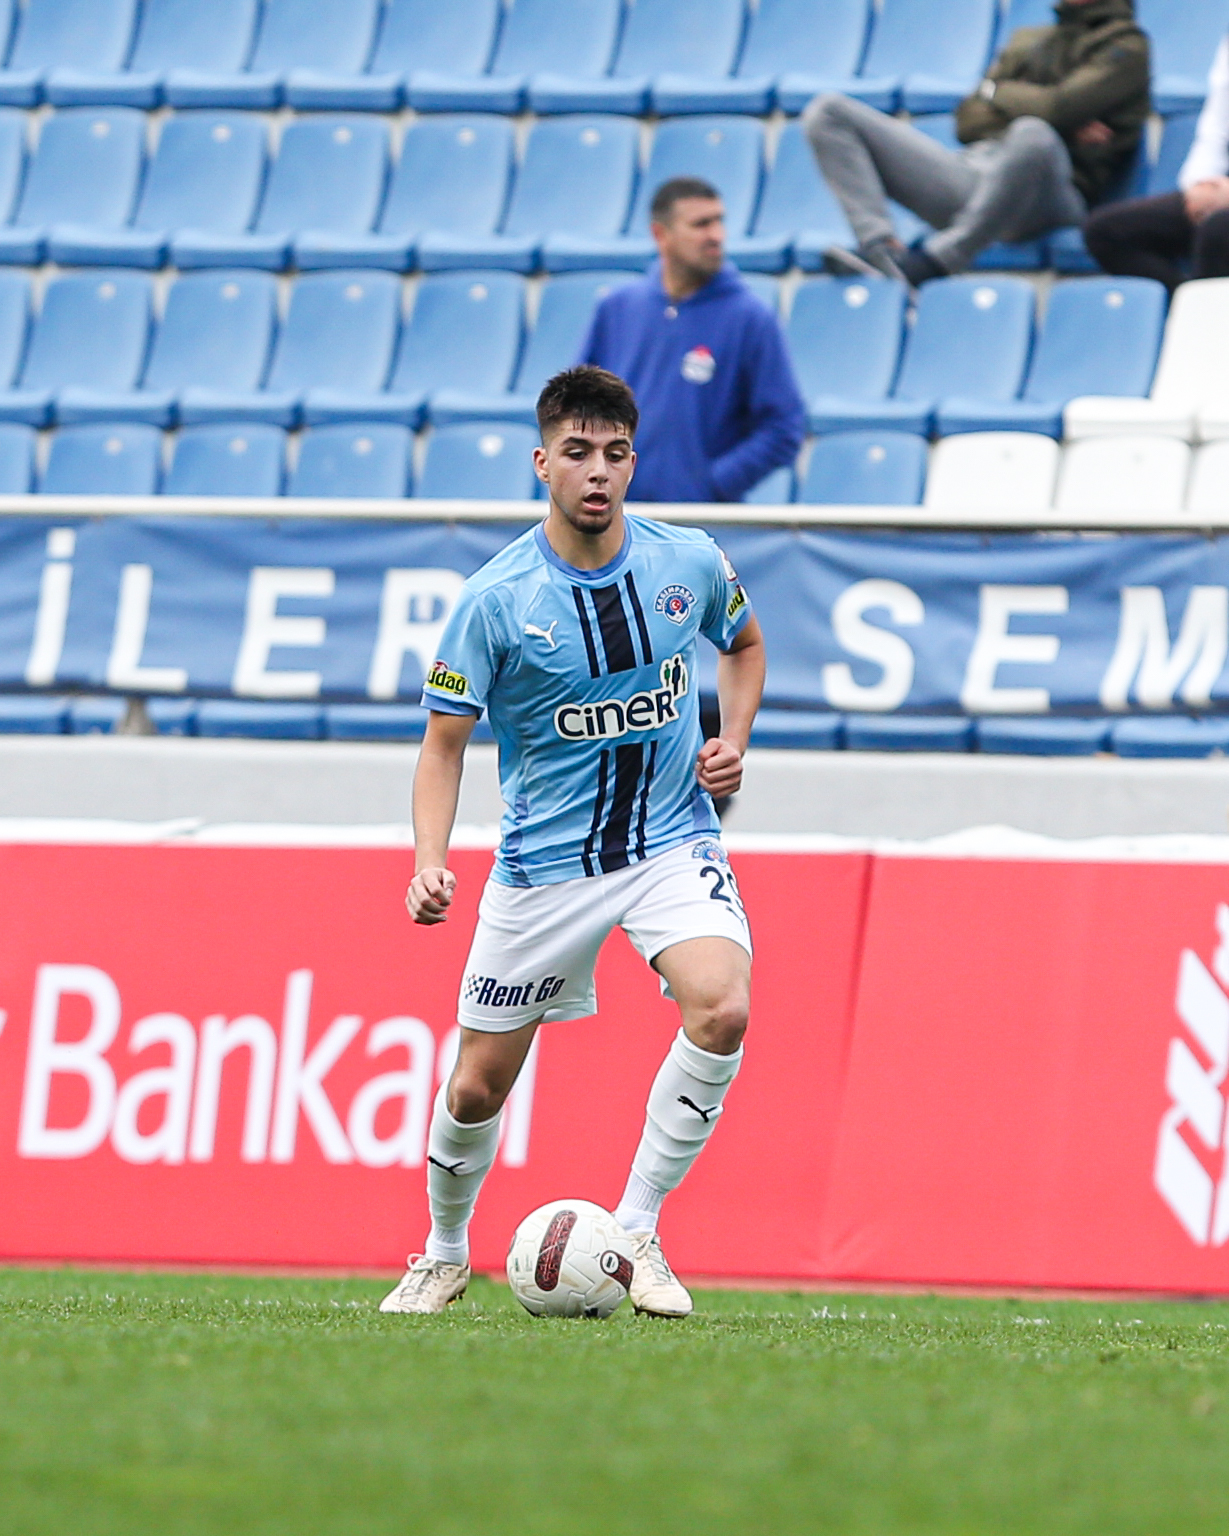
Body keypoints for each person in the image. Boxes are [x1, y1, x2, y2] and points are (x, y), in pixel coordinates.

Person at [379, 365, 766, 1318]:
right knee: (475, 1089)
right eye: (578, 453)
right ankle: (442, 1253)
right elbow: (442, 747)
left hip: (670, 839)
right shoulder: (494, 600)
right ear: (542, 463)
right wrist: (429, 861)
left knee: (722, 1008)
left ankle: (636, 1229)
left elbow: (745, 645)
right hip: (544, 869)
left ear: (633, 462)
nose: (598, 471)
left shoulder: (687, 561)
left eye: (615, 454)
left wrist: (732, 740)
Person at [807, 0, 1150, 286]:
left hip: (1051, 194)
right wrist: (1061, 123)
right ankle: (882, 252)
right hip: (978, 171)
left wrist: (998, 96)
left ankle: (936, 262)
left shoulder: (1127, 47)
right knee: (829, 111)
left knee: (1033, 134)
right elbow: (968, 122)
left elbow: (1056, 109)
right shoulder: (1029, 39)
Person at [578, 176, 804, 504]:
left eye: (719, 222)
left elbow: (784, 428)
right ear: (661, 235)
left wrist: (713, 484)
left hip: (700, 521)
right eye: (701, 224)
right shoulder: (616, 309)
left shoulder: (751, 318)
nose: (716, 235)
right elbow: (577, 408)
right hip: (617, 516)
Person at [1085, 33, 1229, 292]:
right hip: (1221, 187)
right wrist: (1199, 187)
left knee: (1218, 228)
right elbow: (1215, 130)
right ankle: (1184, 302)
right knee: (1105, 231)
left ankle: (1205, 314)